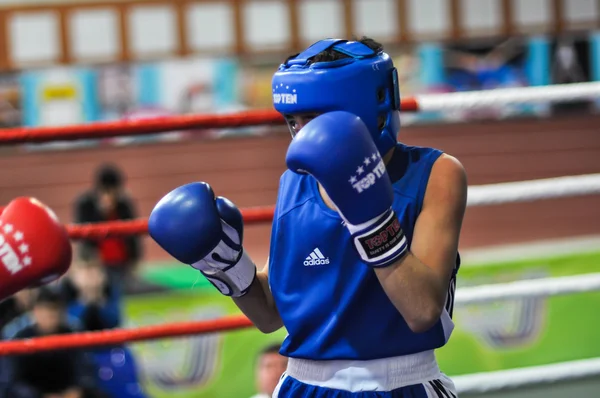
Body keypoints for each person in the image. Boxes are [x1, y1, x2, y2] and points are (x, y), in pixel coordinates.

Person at [148, 37, 467, 397]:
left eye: (313, 119)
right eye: (294, 121)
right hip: (303, 385)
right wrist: (224, 264)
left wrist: (369, 218)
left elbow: (423, 310)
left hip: (400, 384)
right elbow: (270, 314)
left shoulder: (435, 173)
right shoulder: (296, 181)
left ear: (367, 107)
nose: (301, 134)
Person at [4, 287, 103, 398]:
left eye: (54, 310)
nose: (50, 315)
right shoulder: (21, 338)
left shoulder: (73, 335)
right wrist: (40, 396)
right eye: (45, 310)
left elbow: (85, 368)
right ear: (35, 311)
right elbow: (14, 380)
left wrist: (77, 390)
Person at [74, 163, 142, 296]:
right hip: (95, 265)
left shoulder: (124, 204)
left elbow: (134, 233)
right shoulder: (86, 203)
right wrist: (101, 212)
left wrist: (134, 259)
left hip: (122, 263)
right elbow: (83, 235)